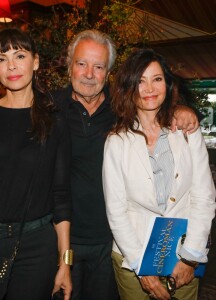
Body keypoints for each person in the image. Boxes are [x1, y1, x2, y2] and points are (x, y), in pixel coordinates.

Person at [55, 30, 200, 300]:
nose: (89, 73)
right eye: (81, 63)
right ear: (69, 64)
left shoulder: (122, 109)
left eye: (98, 66)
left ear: (108, 72)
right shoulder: (49, 108)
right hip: (61, 238)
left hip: (112, 240)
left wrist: (182, 110)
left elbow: (154, 102)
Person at [102, 48, 216, 300]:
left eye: (156, 79)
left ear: (167, 83)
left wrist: (190, 256)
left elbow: (203, 197)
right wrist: (141, 268)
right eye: (140, 81)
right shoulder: (117, 141)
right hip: (133, 256)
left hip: (181, 254)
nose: (149, 88)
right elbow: (116, 211)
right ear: (128, 87)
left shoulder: (187, 131)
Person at [0, 28, 72, 300]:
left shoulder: (54, 122)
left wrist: (65, 262)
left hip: (36, 246)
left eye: (19, 55)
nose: (11, 65)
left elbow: (61, 196)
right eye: (1, 58)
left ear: (36, 62)